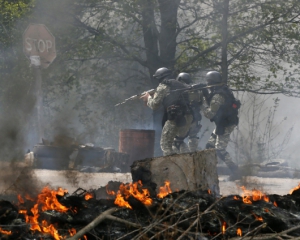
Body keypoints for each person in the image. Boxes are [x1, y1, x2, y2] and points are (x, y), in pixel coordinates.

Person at [140, 67, 193, 156]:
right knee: (178, 142)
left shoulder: (163, 86)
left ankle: (172, 167)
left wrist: (148, 97)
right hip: (187, 117)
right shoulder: (179, 84)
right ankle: (188, 162)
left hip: (175, 117)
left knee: (165, 145)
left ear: (160, 77)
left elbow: (154, 105)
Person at [200, 71, 241, 180]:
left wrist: (202, 102)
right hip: (223, 123)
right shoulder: (222, 90)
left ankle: (235, 171)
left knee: (220, 150)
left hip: (226, 124)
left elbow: (210, 114)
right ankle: (207, 171)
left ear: (210, 82)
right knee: (209, 146)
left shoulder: (218, 95)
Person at [173, 72, 204, 153]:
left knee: (178, 140)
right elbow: (201, 102)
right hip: (195, 118)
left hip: (184, 119)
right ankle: (194, 155)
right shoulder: (197, 90)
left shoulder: (181, 91)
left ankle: (186, 156)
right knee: (193, 137)